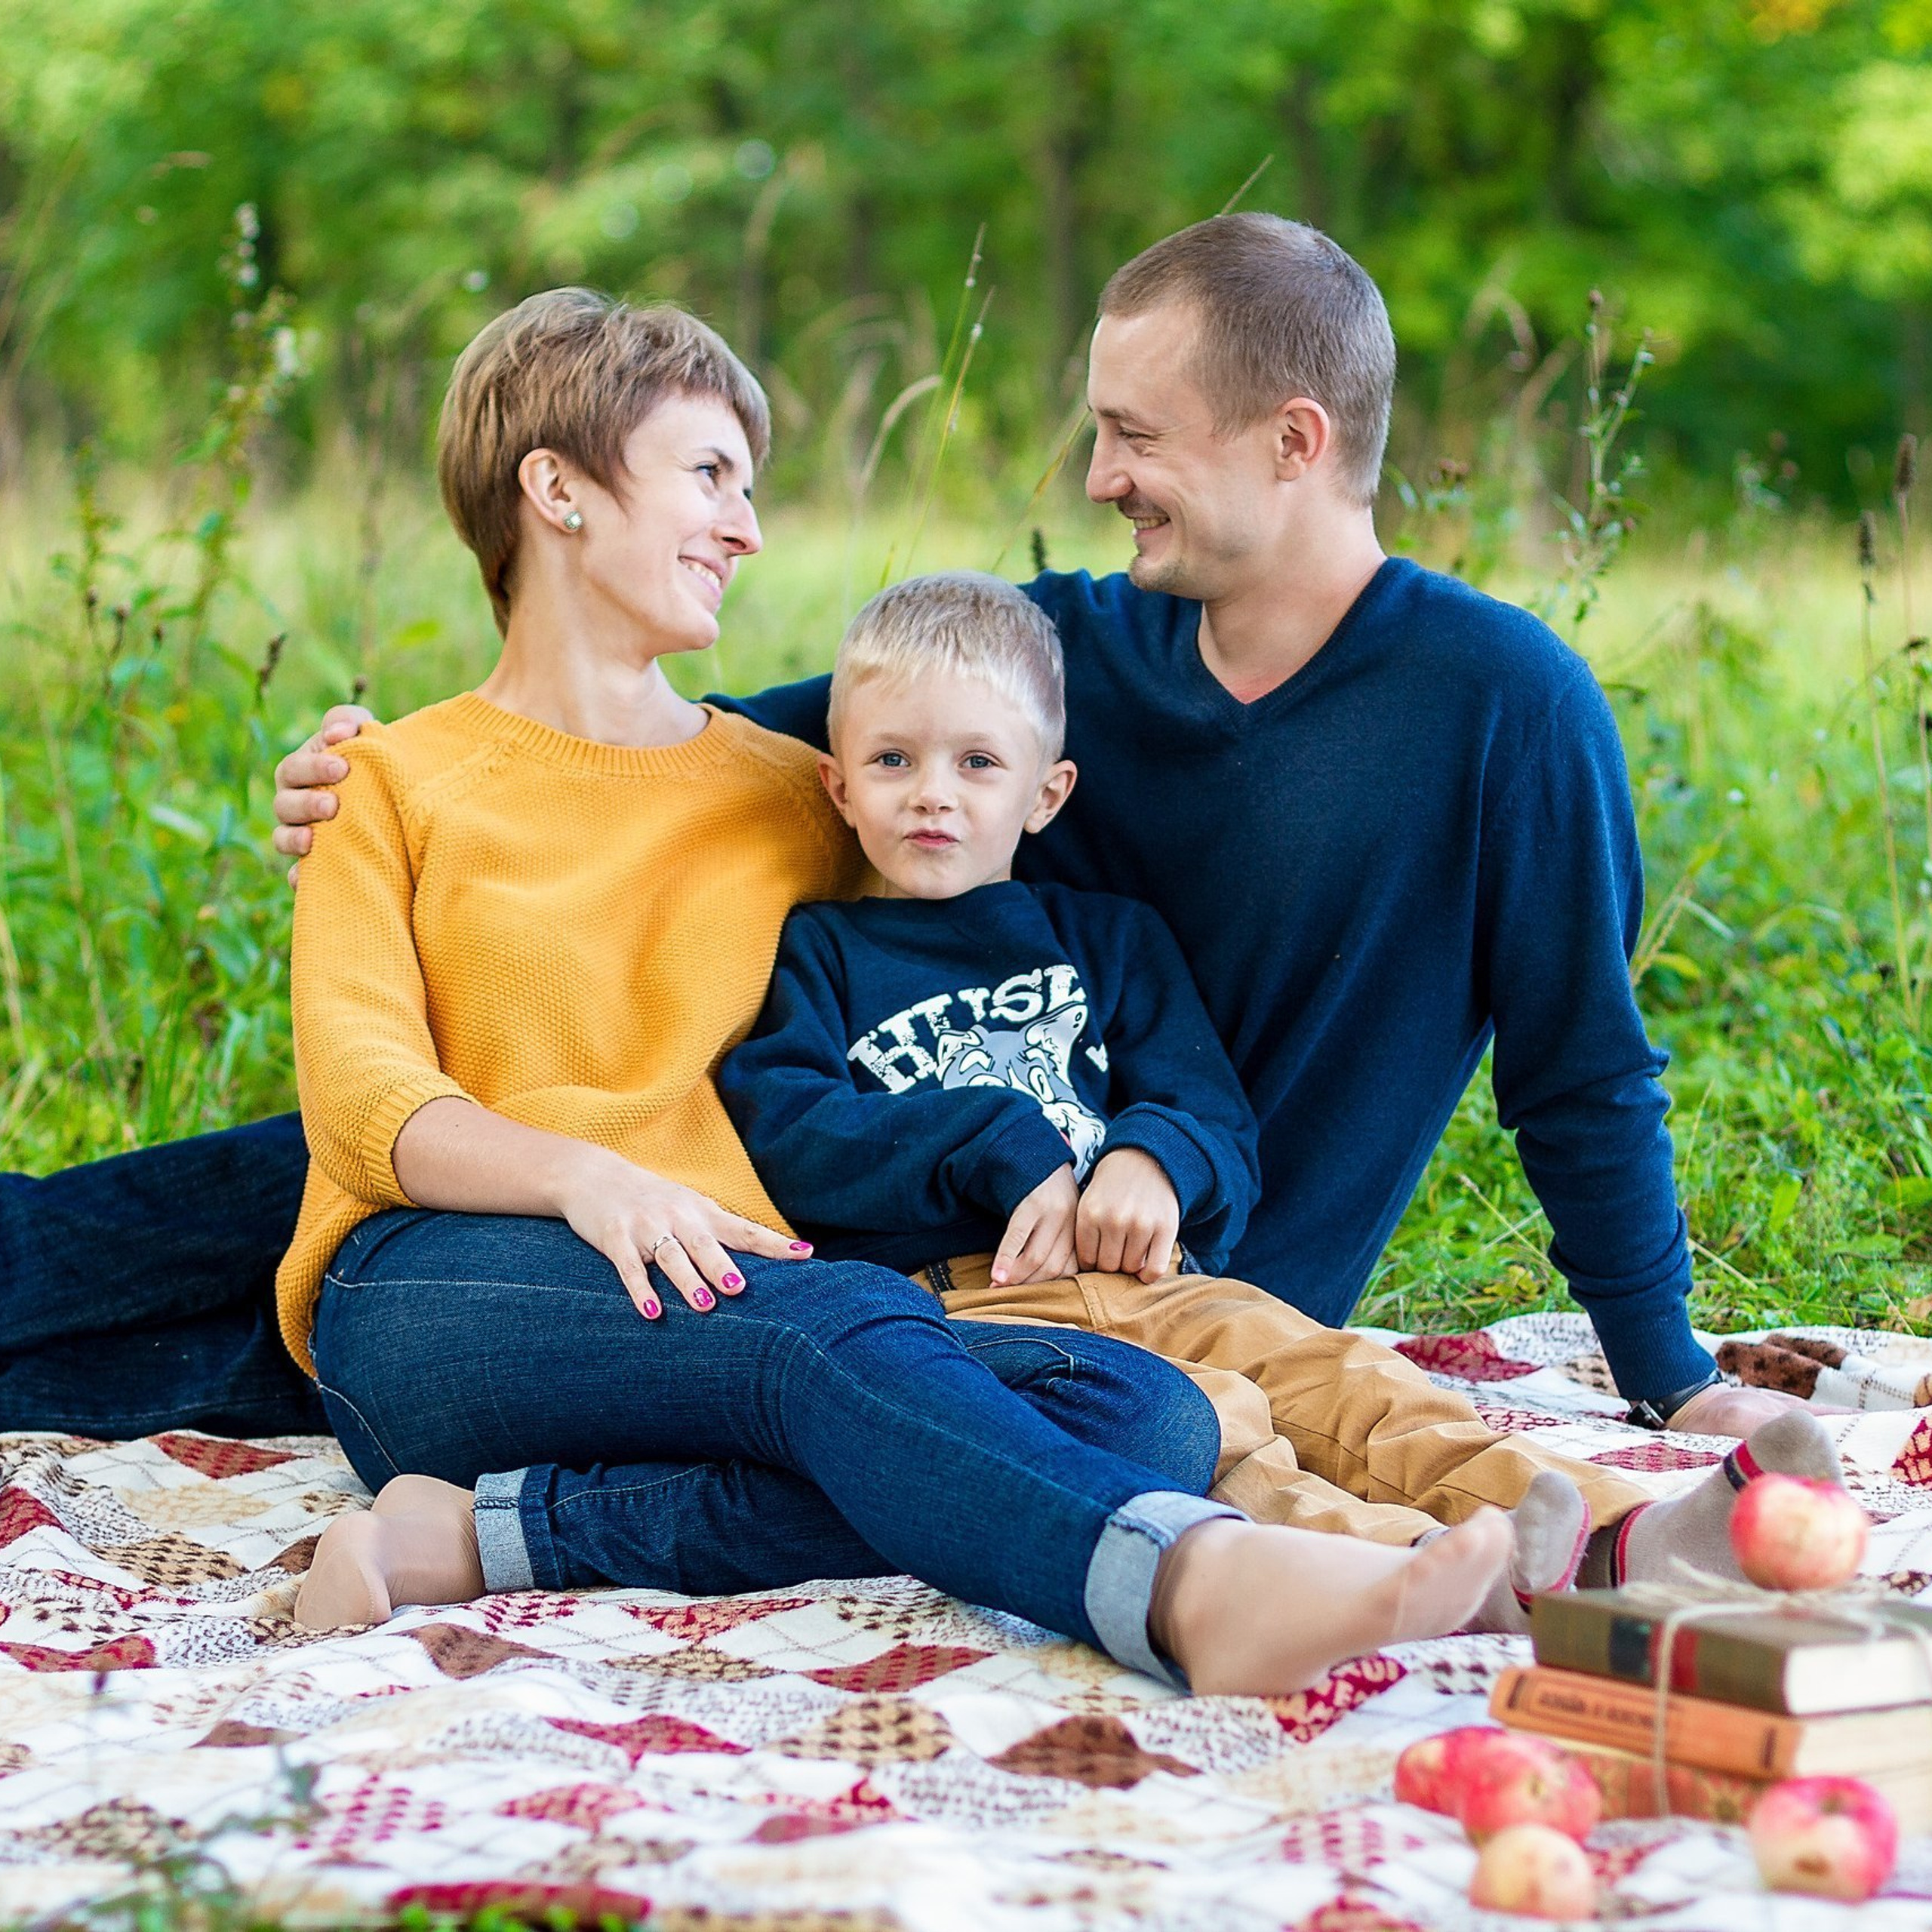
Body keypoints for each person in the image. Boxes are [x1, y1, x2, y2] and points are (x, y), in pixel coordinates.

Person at [0, 214, 1809, 1444]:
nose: (1095, 479)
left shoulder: (1500, 707)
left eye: (1132, 436)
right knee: (361, 1187)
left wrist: (1671, 1378)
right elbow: (699, 750)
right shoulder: (1062, 655)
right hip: (877, 1188)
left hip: (1141, 1278)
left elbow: (1581, 1069)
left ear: (1291, 437)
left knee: (463, 1260)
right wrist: (391, 780)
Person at [279, 282, 1518, 1697]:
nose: (748, 524)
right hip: (451, 1283)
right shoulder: (384, 782)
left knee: (1143, 1409)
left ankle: (485, 1536)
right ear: (555, 489)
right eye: (709, 476)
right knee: (834, 1335)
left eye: (750, 484)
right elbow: (365, 1096)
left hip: (722, 1295)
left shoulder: (784, 784)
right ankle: (1191, 1582)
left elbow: (948, 768)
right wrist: (586, 1181)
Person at [714, 568, 1845, 1616]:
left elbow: (1212, 1116)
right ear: (837, 783)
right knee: (1231, 1438)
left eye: (978, 764)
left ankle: (1627, 1534)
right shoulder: (821, 955)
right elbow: (789, 1134)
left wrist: (1152, 1158)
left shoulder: (1107, 941)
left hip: (1155, 1280)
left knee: (1349, 1379)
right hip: (964, 1309)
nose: (934, 798)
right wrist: (993, 1140)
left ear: (1049, 793)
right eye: (893, 761)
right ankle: (1424, 1582)